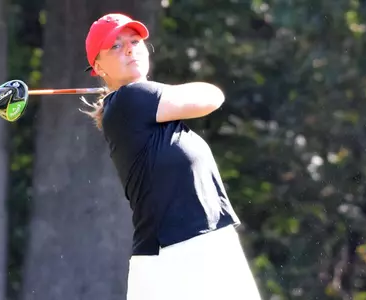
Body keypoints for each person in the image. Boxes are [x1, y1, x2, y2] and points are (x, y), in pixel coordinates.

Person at [81, 13, 263, 300]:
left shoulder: (137, 106)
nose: (130, 48)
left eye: (135, 41)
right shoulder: (130, 99)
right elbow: (211, 96)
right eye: (115, 46)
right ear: (99, 66)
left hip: (199, 245)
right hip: (177, 254)